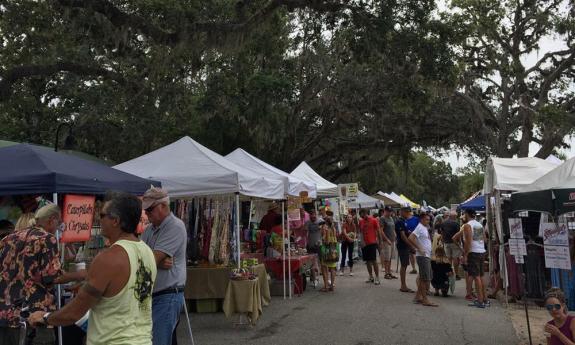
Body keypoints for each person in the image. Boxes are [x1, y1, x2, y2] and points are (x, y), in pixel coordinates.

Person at [28, 193, 157, 344]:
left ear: (115, 221)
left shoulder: (108, 258)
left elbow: (74, 313)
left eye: (102, 215)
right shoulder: (147, 252)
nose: (98, 219)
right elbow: (126, 292)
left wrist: (44, 317)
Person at [1, 204, 85, 345]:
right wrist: (81, 275)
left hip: (6, 314)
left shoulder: (9, 238)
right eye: (59, 223)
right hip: (33, 315)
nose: (58, 228)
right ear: (52, 219)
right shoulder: (47, 238)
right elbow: (54, 276)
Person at [140, 187, 187, 345]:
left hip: (167, 295)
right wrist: (156, 261)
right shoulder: (149, 229)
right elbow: (141, 257)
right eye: (146, 210)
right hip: (156, 296)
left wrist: (154, 260)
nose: (147, 214)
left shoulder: (175, 226)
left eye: (150, 209)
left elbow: (150, 259)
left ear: (164, 206)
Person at [457, 209, 487, 308]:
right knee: (481, 276)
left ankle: (480, 300)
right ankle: (484, 299)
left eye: (464, 214)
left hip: (473, 252)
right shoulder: (479, 224)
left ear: (467, 214)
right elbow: (483, 239)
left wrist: (465, 254)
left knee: (476, 276)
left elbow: (468, 241)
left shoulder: (467, 225)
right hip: (481, 251)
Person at [408, 214, 438, 307]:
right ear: (421, 220)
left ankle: (418, 297)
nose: (428, 221)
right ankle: (425, 299)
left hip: (426, 256)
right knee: (425, 278)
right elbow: (410, 238)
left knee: (423, 277)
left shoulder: (424, 227)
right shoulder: (420, 227)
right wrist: (419, 248)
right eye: (426, 219)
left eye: (429, 220)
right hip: (422, 256)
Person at [359, 209, 382, 285]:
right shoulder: (361, 221)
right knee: (367, 261)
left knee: (374, 261)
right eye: (361, 215)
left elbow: (378, 231)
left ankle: (377, 277)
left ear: (366, 213)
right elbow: (361, 232)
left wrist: (380, 242)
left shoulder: (374, 220)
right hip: (364, 244)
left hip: (372, 243)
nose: (362, 216)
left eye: (363, 214)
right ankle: (371, 276)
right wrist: (361, 241)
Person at [396, 207, 415, 293]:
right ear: (402, 212)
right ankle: (403, 285)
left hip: (404, 245)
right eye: (407, 212)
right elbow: (403, 236)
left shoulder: (404, 221)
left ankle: (403, 285)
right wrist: (410, 245)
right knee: (404, 265)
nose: (408, 214)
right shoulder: (400, 221)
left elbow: (407, 233)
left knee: (405, 265)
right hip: (402, 245)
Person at [319, 216, 339, 292]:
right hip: (334, 250)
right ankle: (332, 286)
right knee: (333, 268)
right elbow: (335, 239)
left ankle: (326, 286)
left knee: (324, 268)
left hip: (327, 250)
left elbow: (326, 241)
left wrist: (322, 238)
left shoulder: (326, 229)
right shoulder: (334, 229)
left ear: (326, 222)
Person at [441, 211, 462, 280]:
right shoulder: (456, 223)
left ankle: (449, 273)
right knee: (455, 258)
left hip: (446, 242)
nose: (456, 217)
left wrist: (442, 241)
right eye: (456, 216)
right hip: (454, 242)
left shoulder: (444, 223)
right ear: (454, 217)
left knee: (449, 258)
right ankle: (456, 274)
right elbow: (458, 234)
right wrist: (459, 243)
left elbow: (442, 232)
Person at [304, 210, 321, 287]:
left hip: (319, 245)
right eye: (311, 216)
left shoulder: (320, 221)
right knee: (312, 263)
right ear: (310, 216)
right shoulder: (307, 222)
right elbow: (304, 231)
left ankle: (316, 278)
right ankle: (313, 279)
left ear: (316, 215)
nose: (313, 217)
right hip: (310, 245)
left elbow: (324, 230)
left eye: (314, 215)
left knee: (318, 262)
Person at [379, 207, 397, 279]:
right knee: (387, 258)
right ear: (385, 211)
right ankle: (386, 273)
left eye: (390, 211)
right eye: (388, 211)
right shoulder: (382, 218)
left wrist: (395, 234)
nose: (390, 213)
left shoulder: (391, 218)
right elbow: (381, 230)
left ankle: (389, 272)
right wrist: (386, 239)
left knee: (390, 258)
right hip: (386, 241)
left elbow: (393, 228)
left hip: (392, 240)